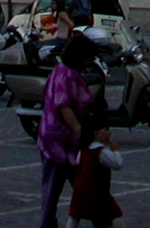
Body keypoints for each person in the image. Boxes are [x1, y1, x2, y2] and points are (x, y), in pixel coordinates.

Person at [38, 31, 98, 228]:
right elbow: (64, 106)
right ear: (80, 57)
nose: (91, 61)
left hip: (54, 137)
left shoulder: (60, 70)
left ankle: (95, 217)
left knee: (71, 185)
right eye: (89, 57)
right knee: (59, 186)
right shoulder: (68, 76)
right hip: (60, 141)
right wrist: (79, 130)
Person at [68, 124, 125, 228]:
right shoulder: (101, 151)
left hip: (80, 187)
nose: (109, 133)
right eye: (106, 130)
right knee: (115, 215)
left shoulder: (84, 149)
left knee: (75, 214)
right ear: (96, 133)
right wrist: (116, 151)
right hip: (97, 190)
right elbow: (117, 164)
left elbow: (77, 162)